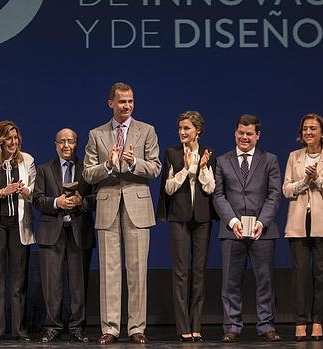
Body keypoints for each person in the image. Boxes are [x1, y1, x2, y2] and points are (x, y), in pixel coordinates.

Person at [83, 82, 161, 345]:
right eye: (122, 102)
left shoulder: (146, 131)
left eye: (130, 101)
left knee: (137, 270)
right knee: (110, 270)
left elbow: (155, 168)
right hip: (108, 206)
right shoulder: (97, 134)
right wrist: (107, 165)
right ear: (111, 104)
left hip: (137, 206)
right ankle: (110, 327)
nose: (126, 106)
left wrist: (132, 162)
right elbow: (87, 173)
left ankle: (137, 327)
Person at [213, 114, 282, 343]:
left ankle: (266, 326)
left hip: (262, 230)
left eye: (249, 134)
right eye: (241, 133)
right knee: (230, 282)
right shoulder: (222, 161)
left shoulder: (270, 160)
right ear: (235, 133)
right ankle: (232, 326)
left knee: (266, 281)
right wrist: (233, 222)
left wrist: (262, 222)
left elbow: (274, 195)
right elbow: (218, 195)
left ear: (258, 136)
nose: (244, 137)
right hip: (232, 230)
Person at [156, 111, 216, 342]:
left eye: (187, 128)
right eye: (180, 128)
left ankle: (196, 325)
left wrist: (200, 168)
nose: (182, 132)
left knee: (199, 272)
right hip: (179, 218)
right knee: (181, 273)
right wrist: (185, 169)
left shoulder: (208, 154)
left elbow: (210, 188)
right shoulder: (172, 153)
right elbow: (168, 188)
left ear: (198, 130)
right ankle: (183, 327)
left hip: (201, 219)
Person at [282, 113, 323, 341]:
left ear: (322, 132)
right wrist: (304, 182)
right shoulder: (294, 157)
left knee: (322, 276)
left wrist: (315, 179)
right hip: (298, 224)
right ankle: (300, 321)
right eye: (305, 128)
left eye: (313, 128)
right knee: (300, 276)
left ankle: (317, 322)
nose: (308, 132)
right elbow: (287, 190)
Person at [33, 128, 94, 343]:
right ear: (55, 145)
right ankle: (52, 327)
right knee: (52, 284)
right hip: (52, 233)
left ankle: (77, 327)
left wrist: (81, 202)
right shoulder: (44, 169)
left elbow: (95, 199)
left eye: (70, 141)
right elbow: (37, 199)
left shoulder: (87, 169)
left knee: (78, 284)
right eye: (62, 142)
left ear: (76, 143)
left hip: (79, 231)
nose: (66, 145)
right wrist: (56, 202)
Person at [0, 120, 36, 342]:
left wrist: (23, 190)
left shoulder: (27, 160)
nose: (13, 142)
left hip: (19, 223)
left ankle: (19, 330)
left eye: (16, 138)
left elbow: (34, 189)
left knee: (18, 280)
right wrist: (3, 191)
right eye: (9, 138)